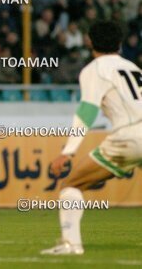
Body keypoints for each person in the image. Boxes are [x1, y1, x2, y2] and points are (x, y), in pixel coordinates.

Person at [41, 21, 142, 255]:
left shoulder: (94, 69)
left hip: (130, 134)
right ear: (119, 43)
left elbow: (87, 111)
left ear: (89, 41)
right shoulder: (133, 68)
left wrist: (68, 152)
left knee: (72, 184)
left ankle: (71, 244)